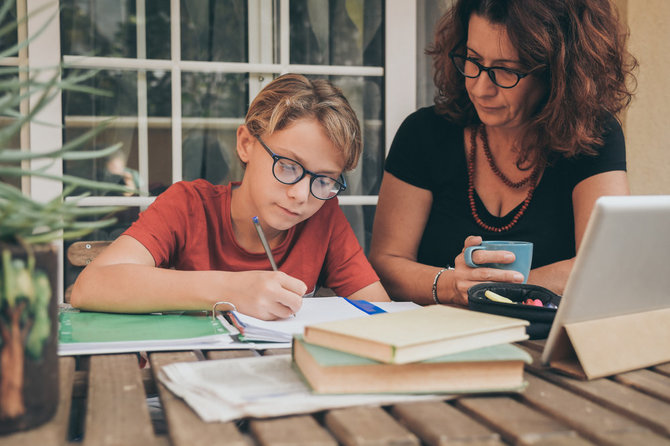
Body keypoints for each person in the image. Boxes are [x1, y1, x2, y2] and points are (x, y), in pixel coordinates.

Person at [369, 0, 636, 306]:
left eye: (506, 70)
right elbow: (385, 264)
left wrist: (485, 288)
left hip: (546, 343)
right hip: (436, 341)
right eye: (472, 59)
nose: (481, 87)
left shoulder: (595, 136)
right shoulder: (423, 133)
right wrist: (452, 284)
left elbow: (605, 265)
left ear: (558, 74)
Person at [71, 74, 389, 319]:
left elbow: (381, 313)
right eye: (289, 166)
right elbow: (92, 285)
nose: (301, 195)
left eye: (325, 180)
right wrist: (230, 290)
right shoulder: (187, 205)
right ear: (246, 143)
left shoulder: (323, 217)